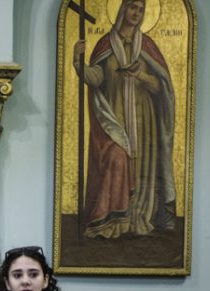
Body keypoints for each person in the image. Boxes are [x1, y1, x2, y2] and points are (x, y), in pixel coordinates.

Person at [74, 0, 176, 239]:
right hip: (115, 120)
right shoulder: (105, 44)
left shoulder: (148, 46)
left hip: (145, 122)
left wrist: (140, 74)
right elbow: (96, 78)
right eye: (132, 7)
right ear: (122, 10)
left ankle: (139, 216)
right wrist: (79, 64)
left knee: (143, 167)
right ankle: (113, 219)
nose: (136, 13)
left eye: (140, 10)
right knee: (117, 158)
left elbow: (162, 87)